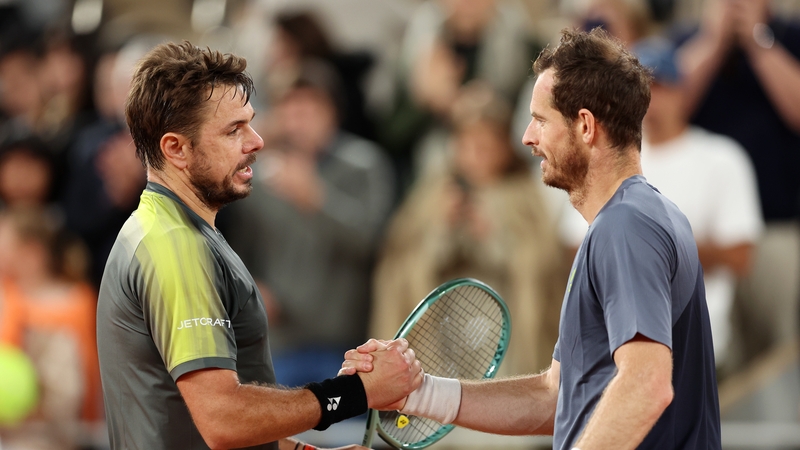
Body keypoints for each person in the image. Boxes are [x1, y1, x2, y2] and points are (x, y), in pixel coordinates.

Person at [343, 28, 721, 449]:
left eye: (541, 120)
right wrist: (420, 393)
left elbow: (645, 384)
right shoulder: (642, 216)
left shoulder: (625, 227)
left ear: (585, 126)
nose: (527, 137)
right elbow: (555, 396)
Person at [96, 41, 422, 450]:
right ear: (175, 149)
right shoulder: (176, 248)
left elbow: (206, 420)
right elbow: (223, 418)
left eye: (250, 123)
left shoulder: (179, 231)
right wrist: (355, 394)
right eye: (233, 130)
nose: (258, 141)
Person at [370, 82, 567, 376]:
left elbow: (544, 267)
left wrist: (494, 238)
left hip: (504, 338)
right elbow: (399, 261)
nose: (477, 154)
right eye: (468, 144)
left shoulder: (525, 196)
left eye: (486, 146)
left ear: (504, 147)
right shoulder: (432, 194)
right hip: (441, 339)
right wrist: (441, 231)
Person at [221, 60, 395, 388]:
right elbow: (236, 249)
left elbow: (374, 245)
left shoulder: (365, 166)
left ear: (332, 113)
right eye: (290, 111)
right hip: (279, 342)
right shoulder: (257, 176)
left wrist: (317, 199)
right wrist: (250, 288)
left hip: (348, 345)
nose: (299, 122)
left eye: (309, 110)